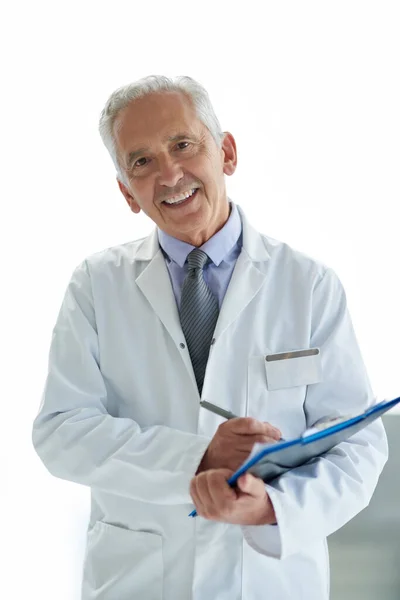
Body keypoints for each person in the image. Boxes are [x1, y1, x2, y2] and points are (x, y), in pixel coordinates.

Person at [32, 75, 388, 600]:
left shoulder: (307, 285)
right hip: (139, 581)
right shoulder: (95, 286)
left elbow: (356, 445)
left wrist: (272, 508)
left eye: (182, 145)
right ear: (127, 193)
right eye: (141, 162)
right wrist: (197, 458)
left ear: (226, 152)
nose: (169, 174)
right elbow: (61, 433)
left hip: (270, 580)